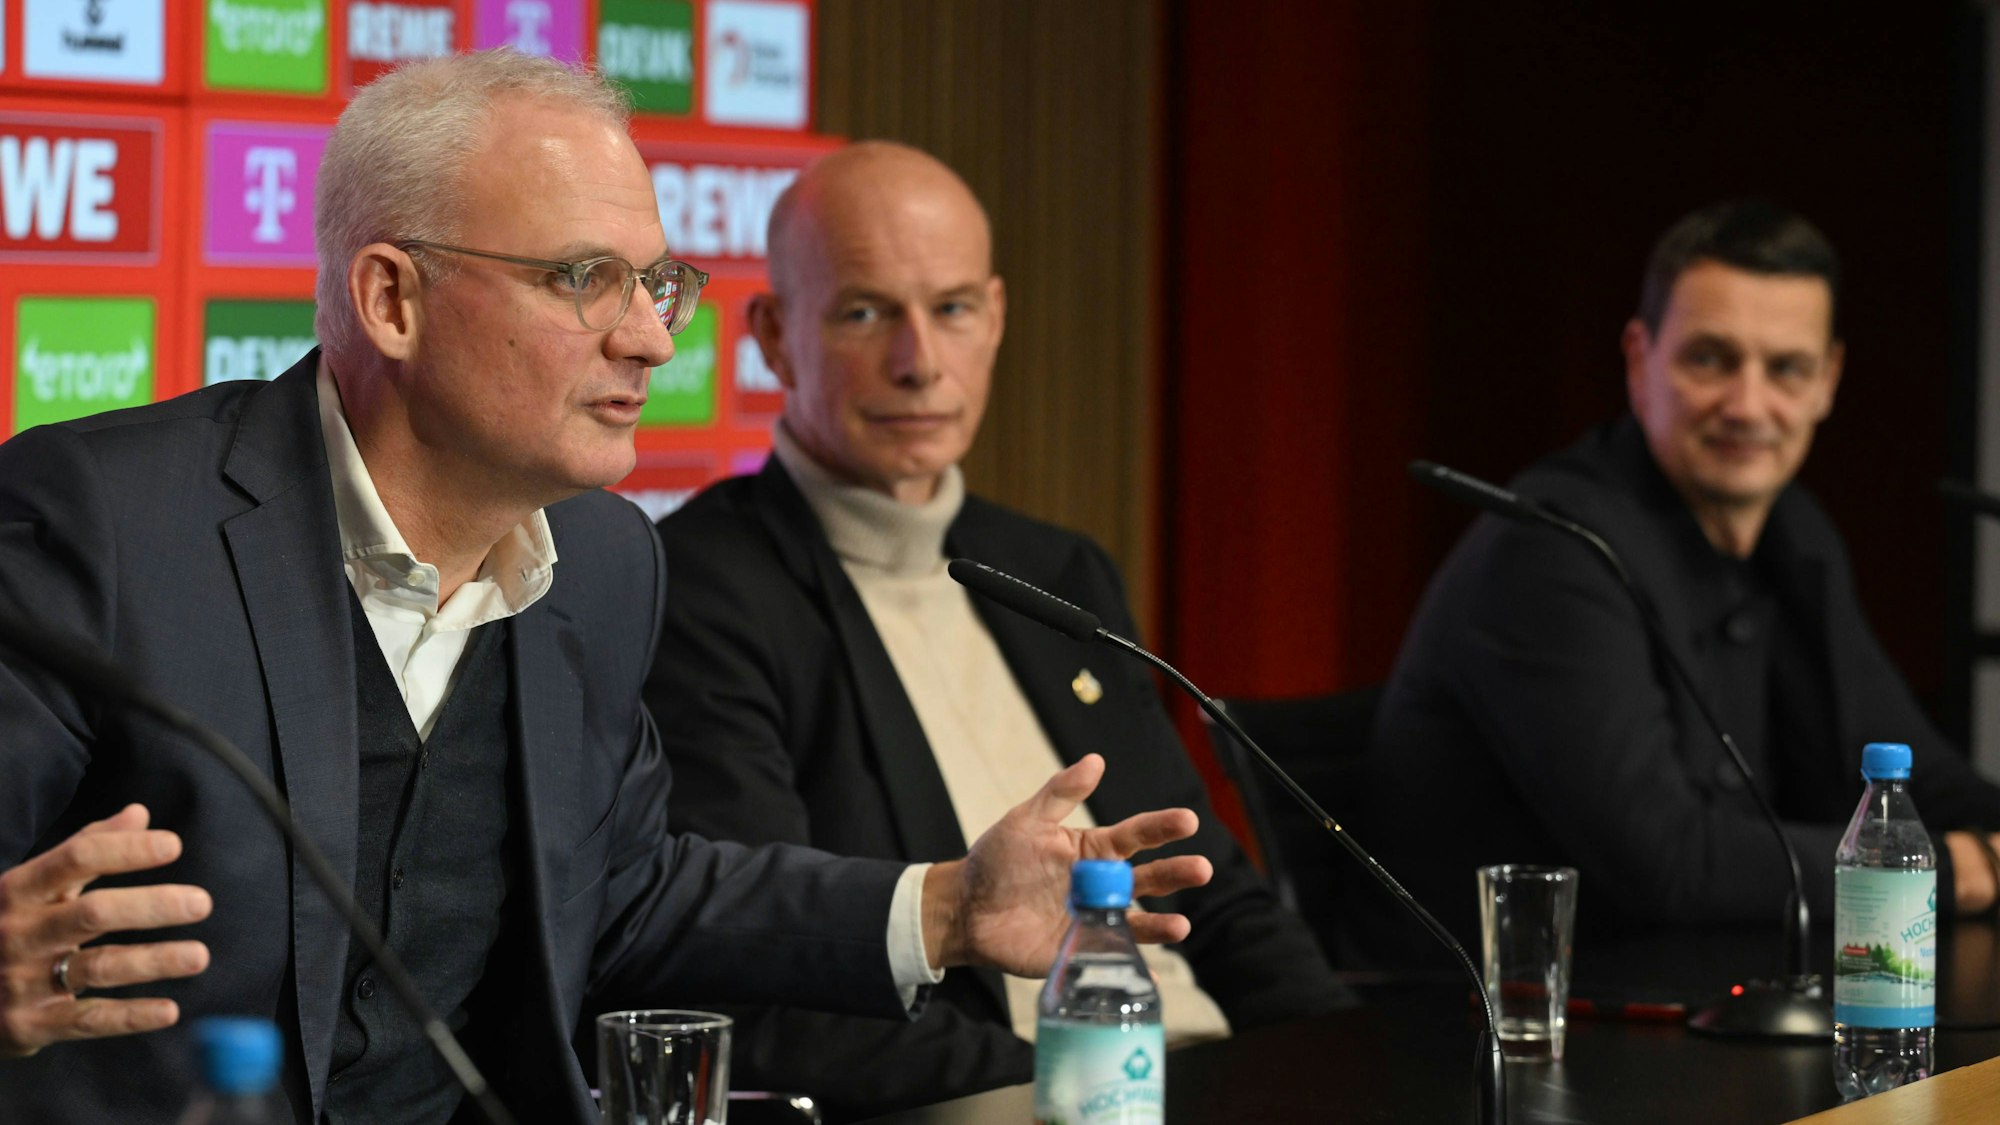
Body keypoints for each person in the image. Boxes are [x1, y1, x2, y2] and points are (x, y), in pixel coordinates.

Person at [0, 53, 1212, 1124]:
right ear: (392, 299)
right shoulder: (106, 524)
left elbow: (624, 894)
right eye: (585, 279)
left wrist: (945, 907)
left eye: (656, 284)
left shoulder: (604, 562)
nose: (650, 340)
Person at [644, 140, 1347, 1121]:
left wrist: (1345, 1063)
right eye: (863, 312)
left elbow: (1216, 897)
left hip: (1202, 1082)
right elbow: (769, 979)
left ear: (996, 318)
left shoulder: (1058, 570)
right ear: (771, 333)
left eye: (951, 309)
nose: (917, 361)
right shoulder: (703, 592)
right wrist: (1071, 1091)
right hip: (1019, 1096)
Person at [1367, 200, 2000, 954]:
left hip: (1702, 992)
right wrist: (1949, 868)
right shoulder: (1550, 549)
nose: (1748, 404)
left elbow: (1908, 768)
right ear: (1640, 360)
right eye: (1711, 359)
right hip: (1496, 1026)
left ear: (1829, 379)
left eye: (1787, 368)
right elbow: (1664, 862)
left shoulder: (1795, 531)